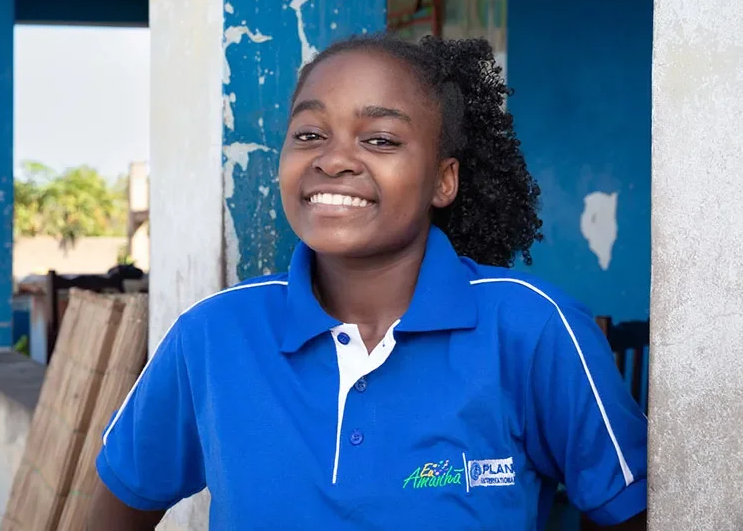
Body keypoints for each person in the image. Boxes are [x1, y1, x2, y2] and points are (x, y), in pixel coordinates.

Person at [88, 34, 648, 530]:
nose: (333, 160)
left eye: (379, 140)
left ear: (443, 180)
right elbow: (121, 503)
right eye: (309, 134)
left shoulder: (533, 330)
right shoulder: (211, 335)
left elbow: (626, 511)